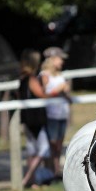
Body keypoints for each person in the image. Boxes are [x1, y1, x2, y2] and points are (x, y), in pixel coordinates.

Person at [18, 49, 52, 188]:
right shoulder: (32, 79)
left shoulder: (22, 78)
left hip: (27, 119)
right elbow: (42, 94)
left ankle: (33, 180)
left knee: (32, 151)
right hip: (36, 119)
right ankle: (27, 179)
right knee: (43, 149)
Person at [40, 47, 72, 179]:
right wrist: (59, 89)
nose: (62, 62)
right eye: (60, 59)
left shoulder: (60, 75)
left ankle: (56, 170)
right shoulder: (44, 75)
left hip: (62, 114)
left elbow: (65, 95)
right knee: (52, 144)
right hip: (51, 114)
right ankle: (50, 170)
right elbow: (44, 94)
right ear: (52, 59)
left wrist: (66, 93)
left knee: (59, 145)